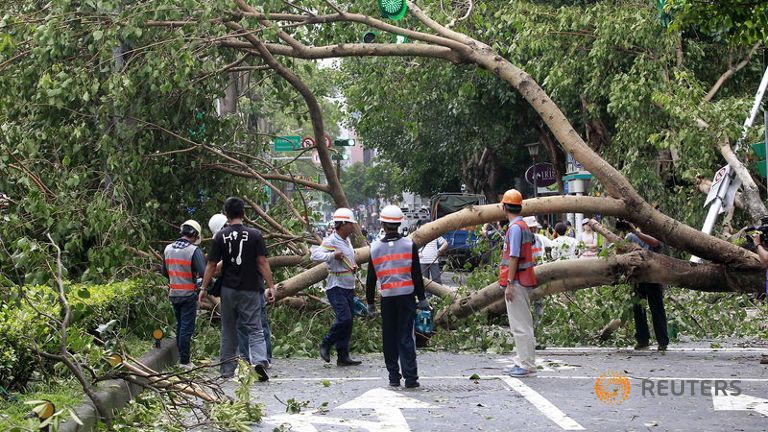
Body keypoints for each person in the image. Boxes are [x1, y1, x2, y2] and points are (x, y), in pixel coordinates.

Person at [199, 197, 276, 380]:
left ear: (226, 214)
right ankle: (258, 362)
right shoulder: (255, 235)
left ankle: (227, 369)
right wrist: (271, 286)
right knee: (255, 328)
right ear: (243, 213)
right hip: (250, 289)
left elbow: (211, 265)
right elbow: (262, 262)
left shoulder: (220, 236)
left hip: (228, 289)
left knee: (229, 329)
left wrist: (203, 287)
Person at [366, 205, 429, 388]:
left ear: (383, 225)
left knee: (389, 336)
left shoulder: (375, 248)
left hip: (387, 299)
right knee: (406, 336)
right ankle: (411, 378)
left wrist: (370, 303)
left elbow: (371, 279)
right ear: (400, 223)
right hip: (406, 298)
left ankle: (394, 376)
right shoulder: (410, 245)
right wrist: (422, 298)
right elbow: (416, 275)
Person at [311, 208, 363, 366]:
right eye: (351, 224)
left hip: (348, 286)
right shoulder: (331, 241)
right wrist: (333, 255)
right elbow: (314, 255)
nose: (353, 227)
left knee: (349, 322)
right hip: (336, 287)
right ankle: (326, 343)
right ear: (343, 225)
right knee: (344, 318)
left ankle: (343, 355)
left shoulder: (347, 240)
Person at [498, 189, 538, 377]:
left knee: (520, 326)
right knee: (523, 324)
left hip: (518, 281)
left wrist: (510, 283)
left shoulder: (515, 228)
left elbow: (514, 257)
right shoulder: (522, 226)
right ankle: (523, 361)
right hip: (524, 280)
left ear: (504, 207)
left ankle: (526, 364)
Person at [615, 219, 669, 351]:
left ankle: (662, 341)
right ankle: (642, 340)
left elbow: (656, 243)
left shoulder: (655, 235)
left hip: (653, 277)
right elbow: (618, 251)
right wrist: (622, 237)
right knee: (638, 309)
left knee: (656, 307)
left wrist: (635, 232)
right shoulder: (629, 237)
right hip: (637, 277)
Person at [161, 220, 206, 370]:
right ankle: (185, 361)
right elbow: (203, 272)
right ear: (194, 234)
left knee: (180, 326)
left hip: (174, 294)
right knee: (187, 328)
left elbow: (164, 272)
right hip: (188, 295)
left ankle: (182, 359)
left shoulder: (168, 249)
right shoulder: (193, 250)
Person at [417, 220, 448, 287]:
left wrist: (439, 251)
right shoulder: (418, 235)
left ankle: (438, 295)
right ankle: (427, 296)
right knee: (424, 281)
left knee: (436, 280)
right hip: (422, 261)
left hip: (433, 260)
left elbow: (445, 243)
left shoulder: (435, 234)